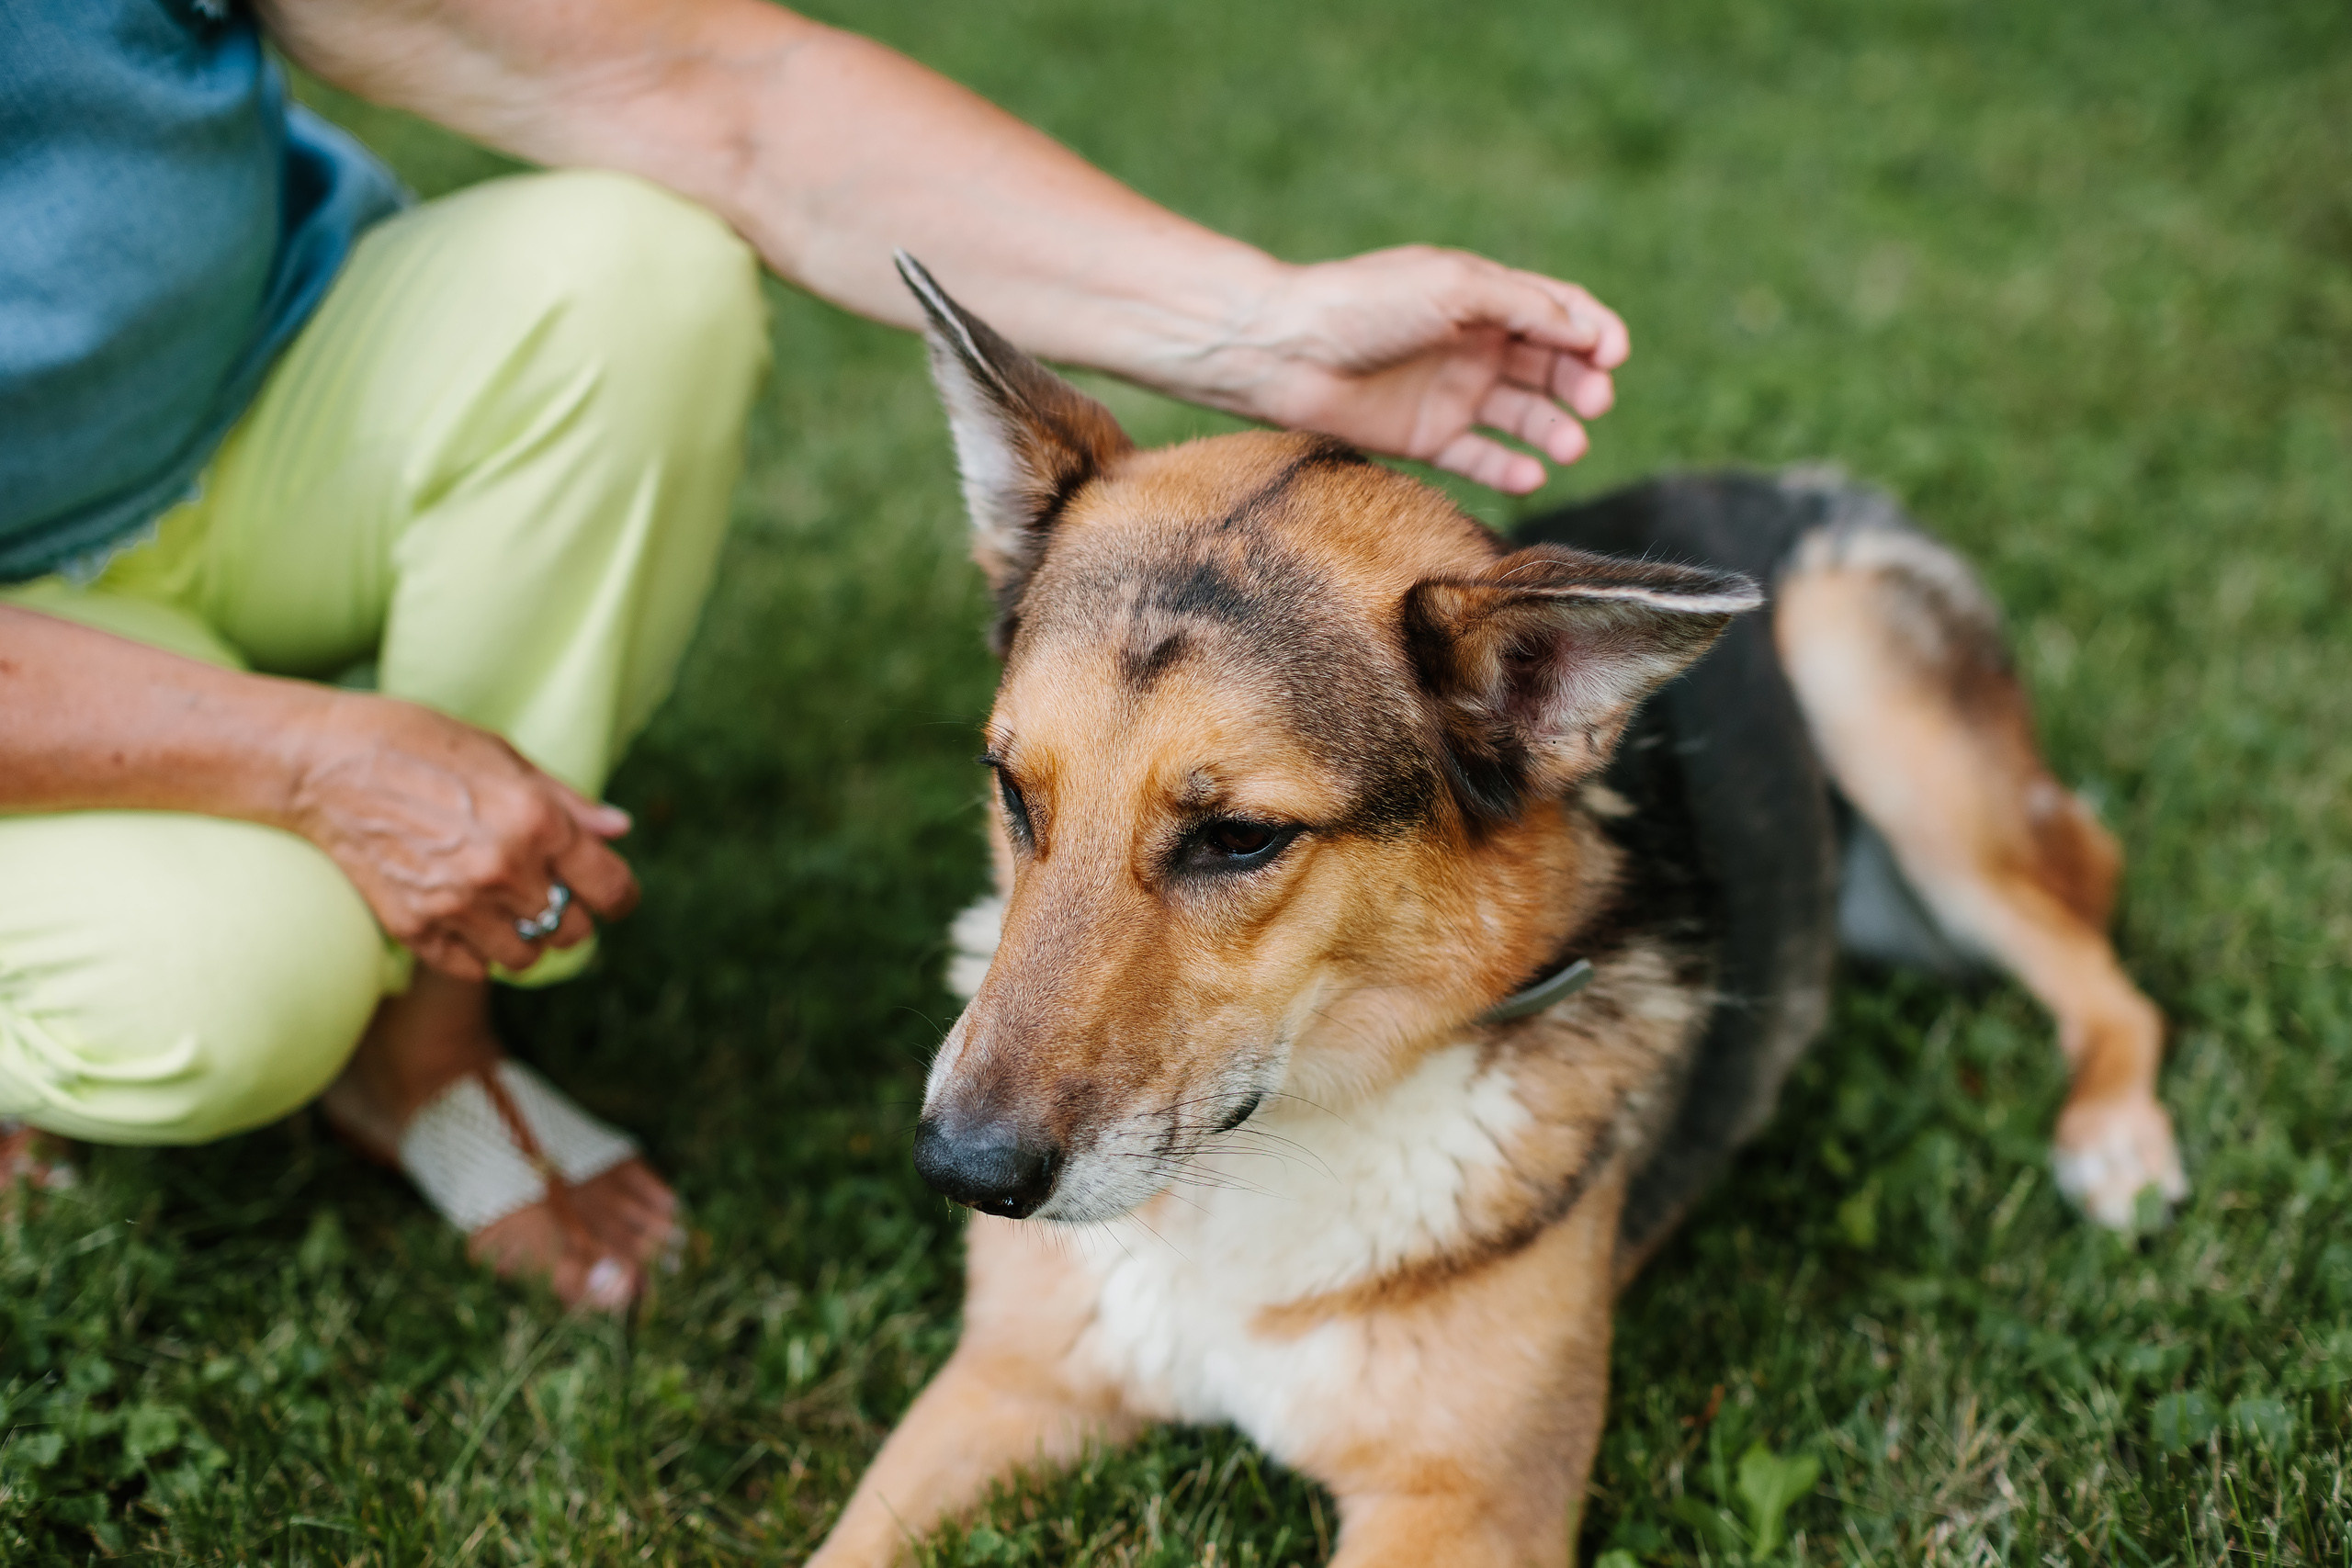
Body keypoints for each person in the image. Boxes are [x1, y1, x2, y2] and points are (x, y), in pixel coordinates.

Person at [0, 0, 1629, 1309]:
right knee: (236, 993)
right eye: (1023, 794)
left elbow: (718, 92)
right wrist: (314, 759)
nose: (992, 1090)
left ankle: (430, 1040)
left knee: (638, 273)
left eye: (1231, 837)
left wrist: (1265, 325)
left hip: (258, 389)